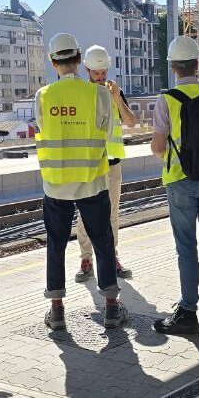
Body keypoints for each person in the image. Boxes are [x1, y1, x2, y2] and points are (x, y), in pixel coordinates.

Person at [36, 33, 128, 330]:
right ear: (78, 60)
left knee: (56, 244)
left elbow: (44, 128)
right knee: (103, 240)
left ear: (53, 62)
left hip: (56, 184)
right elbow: (106, 130)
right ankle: (111, 307)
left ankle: (57, 310)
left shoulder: (43, 96)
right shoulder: (98, 94)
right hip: (91, 181)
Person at [151, 36, 199, 334]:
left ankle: (188, 311)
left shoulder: (166, 100)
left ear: (173, 66)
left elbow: (158, 147)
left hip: (180, 181)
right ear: (198, 64)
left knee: (186, 247)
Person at [74, 45, 136, 283]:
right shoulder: (81, 94)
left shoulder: (114, 93)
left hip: (111, 163)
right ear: (87, 70)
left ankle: (111, 257)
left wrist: (117, 98)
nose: (101, 77)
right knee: (85, 215)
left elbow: (130, 122)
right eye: (96, 73)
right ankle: (86, 258)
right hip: (89, 164)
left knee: (112, 215)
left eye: (104, 72)